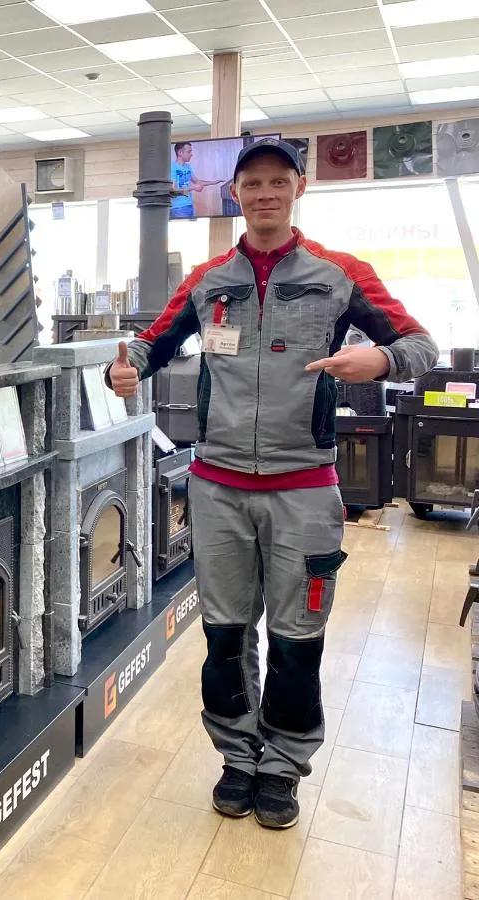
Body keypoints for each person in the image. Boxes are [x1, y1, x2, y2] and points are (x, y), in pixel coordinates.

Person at [109, 137, 437, 829]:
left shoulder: (341, 275)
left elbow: (419, 345)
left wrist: (378, 360)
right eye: (252, 183)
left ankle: (283, 766)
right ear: (235, 193)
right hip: (217, 488)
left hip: (305, 490)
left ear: (299, 188)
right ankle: (237, 757)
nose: (264, 194)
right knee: (225, 636)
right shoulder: (208, 280)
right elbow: (151, 342)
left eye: (277, 181)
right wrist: (125, 365)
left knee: (296, 640)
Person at [171, 142, 224, 219]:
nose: (191, 154)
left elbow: (197, 182)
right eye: (189, 152)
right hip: (178, 208)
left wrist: (214, 182)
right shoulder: (172, 168)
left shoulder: (187, 167)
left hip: (189, 205)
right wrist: (193, 187)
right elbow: (173, 190)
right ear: (180, 153)